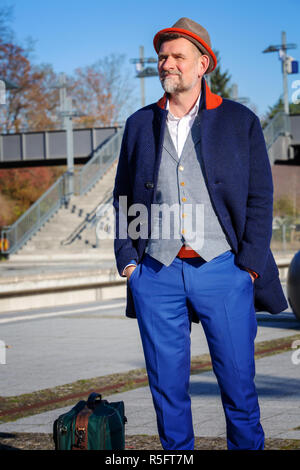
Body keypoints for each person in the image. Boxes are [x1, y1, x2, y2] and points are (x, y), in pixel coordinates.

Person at [113, 17, 288, 451]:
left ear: (202, 64)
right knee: (167, 393)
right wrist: (129, 261)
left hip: (223, 269)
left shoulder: (239, 120)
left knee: (239, 388)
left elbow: (260, 197)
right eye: (162, 57)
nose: (167, 64)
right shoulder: (139, 124)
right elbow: (121, 196)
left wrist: (248, 265)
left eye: (177, 57)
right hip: (156, 272)